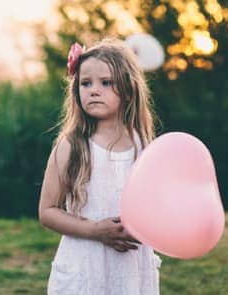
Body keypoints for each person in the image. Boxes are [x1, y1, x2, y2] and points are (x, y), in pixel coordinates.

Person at [39, 39, 161, 294]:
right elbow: (47, 211)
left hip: (130, 264)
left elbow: (155, 202)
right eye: (86, 83)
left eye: (106, 83)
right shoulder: (72, 145)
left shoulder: (144, 146)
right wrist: (95, 230)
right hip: (85, 262)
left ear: (128, 90)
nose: (94, 90)